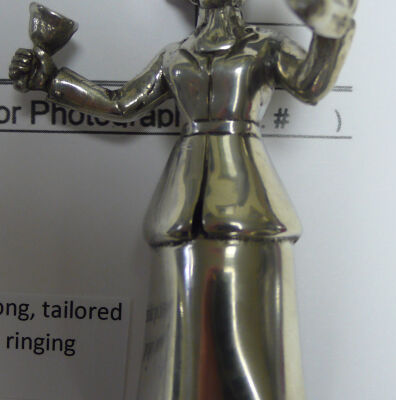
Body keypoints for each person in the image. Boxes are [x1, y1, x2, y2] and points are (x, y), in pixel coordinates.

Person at [9, 0, 356, 399]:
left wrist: (333, 29)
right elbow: (121, 104)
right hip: (183, 200)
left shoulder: (264, 47)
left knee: (255, 343)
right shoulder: (175, 55)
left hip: (249, 201)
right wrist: (52, 80)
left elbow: (310, 84)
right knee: (178, 349)